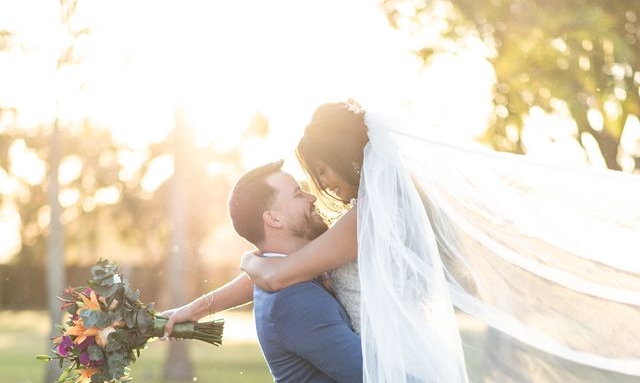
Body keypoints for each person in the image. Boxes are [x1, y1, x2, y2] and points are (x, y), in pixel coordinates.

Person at [166, 100, 640, 382]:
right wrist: (198, 307)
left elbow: (278, 272)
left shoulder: (366, 221)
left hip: (395, 357)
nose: (320, 188)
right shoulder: (367, 219)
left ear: (347, 157)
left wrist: (251, 260)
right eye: (305, 185)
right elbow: (290, 269)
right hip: (396, 354)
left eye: (323, 170)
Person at [163, 160, 363, 383]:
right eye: (298, 194)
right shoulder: (295, 300)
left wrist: (197, 307)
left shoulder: (280, 275)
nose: (312, 198)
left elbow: (279, 272)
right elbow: (371, 375)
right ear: (273, 219)